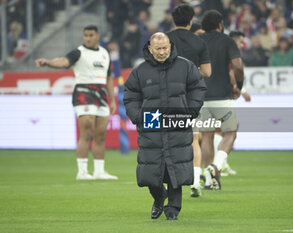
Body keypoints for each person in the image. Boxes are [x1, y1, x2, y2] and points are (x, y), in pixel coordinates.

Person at [123, 32, 206, 220]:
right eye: (158, 49)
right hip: (151, 123)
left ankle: (173, 209)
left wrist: (190, 112)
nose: (162, 52)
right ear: (150, 49)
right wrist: (138, 117)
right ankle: (159, 196)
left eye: (165, 48)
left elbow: (198, 88)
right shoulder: (140, 71)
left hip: (178, 120)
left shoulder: (186, 66)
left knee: (176, 167)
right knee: (150, 170)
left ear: (171, 46)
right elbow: (130, 96)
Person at [35, 25, 118, 180]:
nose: (88, 38)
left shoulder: (105, 53)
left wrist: (112, 99)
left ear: (97, 36)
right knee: (86, 132)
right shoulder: (78, 52)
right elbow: (64, 62)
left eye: (91, 35)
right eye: (85, 35)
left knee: (100, 134)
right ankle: (82, 172)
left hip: (101, 94)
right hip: (84, 93)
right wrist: (48, 62)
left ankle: (99, 171)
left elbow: (108, 78)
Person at [167, 4, 211, 198]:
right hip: (191, 96)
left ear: (173, 19)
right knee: (193, 139)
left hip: (167, 95)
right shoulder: (199, 42)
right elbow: (207, 72)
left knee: (168, 140)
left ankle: (170, 183)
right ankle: (195, 180)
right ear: (191, 20)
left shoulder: (164, 40)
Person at [199, 10, 244, 190]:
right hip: (223, 97)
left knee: (207, 136)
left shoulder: (198, 42)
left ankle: (209, 181)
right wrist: (239, 84)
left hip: (202, 96)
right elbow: (238, 65)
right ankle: (216, 165)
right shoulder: (227, 41)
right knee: (230, 133)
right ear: (220, 25)